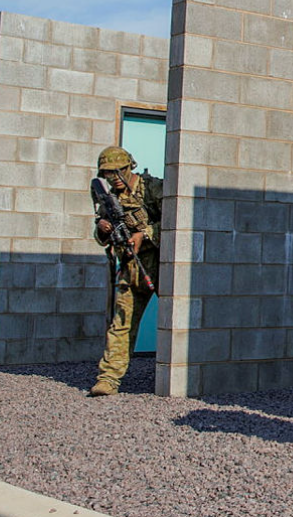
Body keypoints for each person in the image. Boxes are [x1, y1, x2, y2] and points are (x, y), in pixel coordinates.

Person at [89, 146, 162, 397]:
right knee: (120, 324)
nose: (113, 179)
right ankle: (108, 378)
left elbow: (177, 221)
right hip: (131, 269)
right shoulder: (110, 200)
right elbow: (101, 238)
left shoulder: (152, 189)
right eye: (107, 174)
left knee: (181, 320)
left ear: (127, 168)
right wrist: (103, 228)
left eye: (116, 173)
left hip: (161, 265)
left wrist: (144, 233)